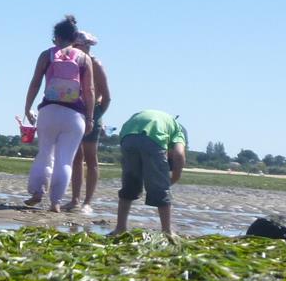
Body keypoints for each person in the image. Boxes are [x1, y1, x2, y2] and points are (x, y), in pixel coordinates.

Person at [21, 14, 96, 211]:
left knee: (45, 153)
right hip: (74, 116)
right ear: (75, 38)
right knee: (65, 160)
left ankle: (37, 192)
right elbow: (89, 90)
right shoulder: (84, 58)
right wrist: (90, 117)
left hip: (48, 110)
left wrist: (27, 107)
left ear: (56, 36)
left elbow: (35, 82)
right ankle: (55, 202)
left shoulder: (47, 55)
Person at [109, 109, 188, 239]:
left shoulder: (162, 119)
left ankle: (120, 228)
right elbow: (179, 154)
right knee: (160, 189)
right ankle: (167, 231)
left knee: (129, 185)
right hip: (153, 137)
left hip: (127, 135)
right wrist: (175, 177)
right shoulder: (178, 130)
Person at [64, 31, 111, 215]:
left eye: (77, 46)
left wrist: (96, 116)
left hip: (92, 112)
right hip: (75, 111)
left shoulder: (95, 64)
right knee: (76, 157)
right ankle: (75, 199)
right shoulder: (72, 62)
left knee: (91, 158)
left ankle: (87, 202)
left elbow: (107, 96)